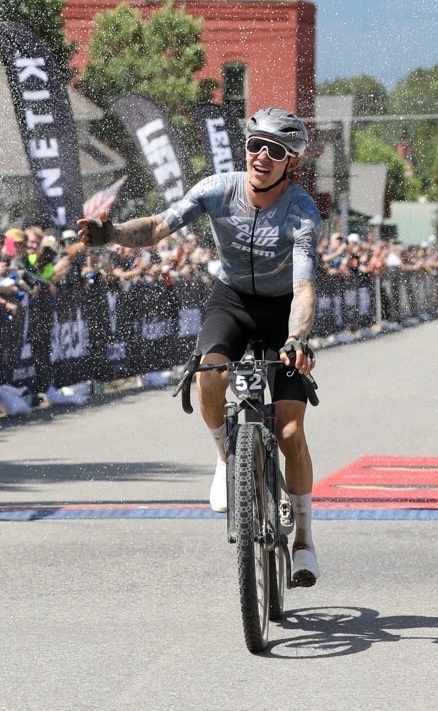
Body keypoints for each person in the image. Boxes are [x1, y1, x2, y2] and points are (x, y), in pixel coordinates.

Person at [79, 107, 325, 586]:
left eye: (275, 151)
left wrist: (297, 337)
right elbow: (157, 226)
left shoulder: (301, 212)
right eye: (255, 145)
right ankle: (226, 457)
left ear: (290, 162)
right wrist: (111, 234)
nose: (262, 156)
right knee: (209, 377)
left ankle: (305, 540)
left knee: (291, 431)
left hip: (282, 311)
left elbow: (304, 288)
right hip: (232, 299)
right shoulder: (217, 189)